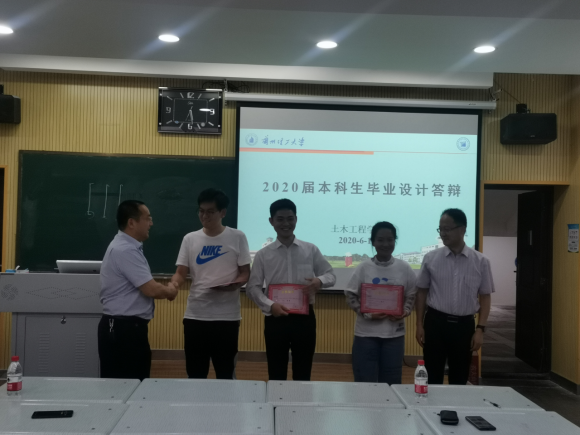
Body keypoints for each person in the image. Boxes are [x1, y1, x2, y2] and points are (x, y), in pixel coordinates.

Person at [246, 199, 336, 381]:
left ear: (296, 219)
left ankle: (299, 400)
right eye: (280, 219)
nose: (285, 223)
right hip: (275, 317)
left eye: (290, 218)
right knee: (276, 370)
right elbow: (252, 288)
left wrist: (319, 281)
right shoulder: (263, 255)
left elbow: (331, 275)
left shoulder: (310, 250)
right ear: (271, 221)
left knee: (303, 370)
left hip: (304, 318)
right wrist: (270, 305)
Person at [171, 188, 251, 379]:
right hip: (196, 315)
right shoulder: (190, 239)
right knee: (195, 374)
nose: (204, 216)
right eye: (201, 211)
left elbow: (245, 272)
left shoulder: (237, 237)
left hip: (226, 317)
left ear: (222, 212)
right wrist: (173, 285)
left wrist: (235, 284)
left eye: (210, 211)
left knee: (225, 373)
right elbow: (181, 273)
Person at [99, 200, 178, 381]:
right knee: (126, 385)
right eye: (147, 218)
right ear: (132, 223)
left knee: (131, 383)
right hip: (123, 330)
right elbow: (151, 289)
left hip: (125, 328)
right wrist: (170, 290)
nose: (151, 223)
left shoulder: (126, 246)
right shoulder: (125, 250)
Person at [415, 208, 495, 385]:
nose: (443, 233)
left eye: (447, 229)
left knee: (459, 377)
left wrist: (480, 330)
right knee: (432, 376)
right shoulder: (431, 258)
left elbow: (485, 297)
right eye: (440, 229)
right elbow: (421, 292)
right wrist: (419, 324)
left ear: (462, 229)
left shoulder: (481, 261)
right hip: (435, 323)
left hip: (464, 327)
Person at [345, 221, 417, 384]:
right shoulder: (363, 267)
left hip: (394, 335)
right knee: (364, 380)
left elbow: (412, 293)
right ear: (373, 242)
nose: (385, 244)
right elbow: (350, 294)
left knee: (392, 381)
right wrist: (366, 314)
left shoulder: (404, 268)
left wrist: (405, 311)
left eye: (390, 240)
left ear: (395, 241)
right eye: (380, 240)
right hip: (365, 335)